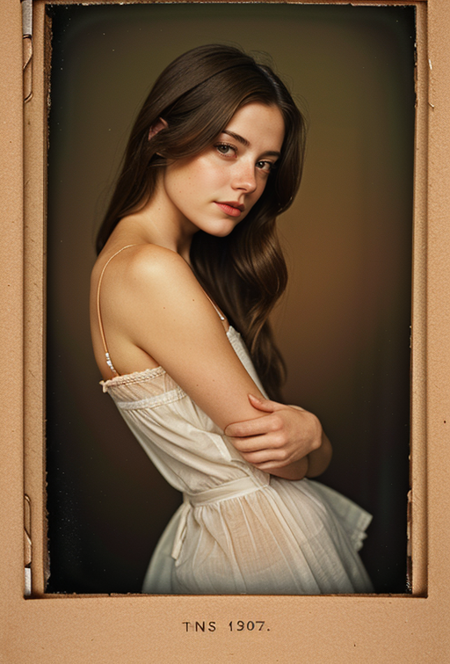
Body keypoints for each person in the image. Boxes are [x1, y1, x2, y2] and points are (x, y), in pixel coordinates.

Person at [90, 44, 373, 594]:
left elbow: (286, 448)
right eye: (227, 148)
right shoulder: (149, 271)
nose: (248, 181)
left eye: (264, 162)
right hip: (262, 549)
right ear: (160, 134)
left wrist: (306, 438)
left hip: (240, 538)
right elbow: (281, 457)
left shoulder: (154, 264)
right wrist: (311, 431)